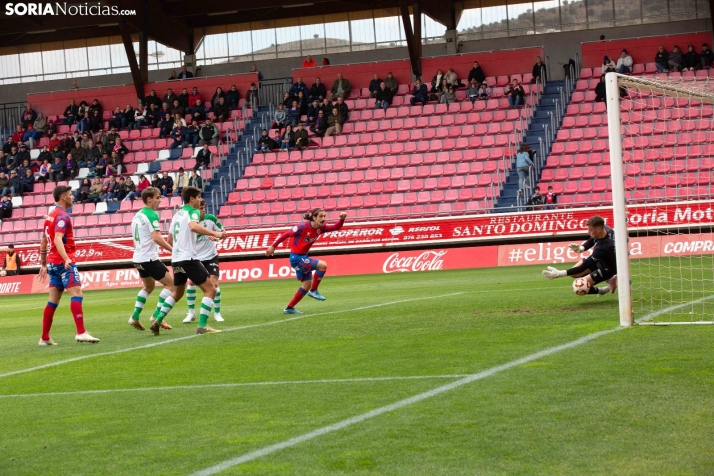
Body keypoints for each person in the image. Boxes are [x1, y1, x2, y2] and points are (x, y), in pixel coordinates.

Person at [150, 186, 226, 335]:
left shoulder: (177, 215)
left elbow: (170, 239)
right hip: (188, 258)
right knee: (210, 290)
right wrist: (215, 234)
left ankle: (157, 321)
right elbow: (193, 226)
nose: (200, 201)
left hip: (176, 260)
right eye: (198, 198)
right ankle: (202, 325)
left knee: (177, 294)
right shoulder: (193, 211)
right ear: (191, 199)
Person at [38, 185, 100, 345]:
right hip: (62, 262)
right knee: (77, 294)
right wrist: (66, 259)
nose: (73, 197)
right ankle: (81, 332)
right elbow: (58, 239)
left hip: (52, 263)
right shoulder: (63, 216)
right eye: (70, 194)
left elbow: (44, 241)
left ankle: (44, 337)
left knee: (53, 301)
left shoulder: (49, 216)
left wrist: (43, 264)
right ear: (63, 197)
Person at [265, 208, 346, 314]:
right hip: (297, 258)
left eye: (324, 216)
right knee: (322, 265)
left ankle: (289, 308)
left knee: (306, 285)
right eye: (321, 216)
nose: (323, 219)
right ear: (314, 217)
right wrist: (273, 246)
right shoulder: (301, 227)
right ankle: (314, 291)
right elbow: (286, 234)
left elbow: (336, 227)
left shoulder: (321, 228)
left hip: (303, 257)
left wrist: (342, 220)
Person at [128, 186, 175, 331]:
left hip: (138, 257)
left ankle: (135, 316)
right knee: (172, 286)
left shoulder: (137, 215)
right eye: (157, 197)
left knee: (149, 287)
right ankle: (156, 315)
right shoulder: (152, 215)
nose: (160, 200)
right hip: (149, 258)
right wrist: (173, 250)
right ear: (149, 199)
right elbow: (156, 237)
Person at [542, 215, 618, 296]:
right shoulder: (605, 229)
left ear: (598, 230)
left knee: (579, 287)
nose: (588, 232)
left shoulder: (604, 247)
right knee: (573, 274)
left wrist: (559, 274)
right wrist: (582, 248)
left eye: (590, 230)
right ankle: (610, 280)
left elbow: (583, 267)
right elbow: (593, 239)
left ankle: (602, 289)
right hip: (601, 260)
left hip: (607, 269)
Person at [183, 198, 224, 323]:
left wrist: (217, 237)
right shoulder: (188, 221)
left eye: (203, 208)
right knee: (190, 283)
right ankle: (191, 312)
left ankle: (217, 313)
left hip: (210, 256)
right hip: (195, 258)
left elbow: (224, 232)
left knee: (214, 284)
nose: (203, 210)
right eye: (200, 208)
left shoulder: (210, 218)